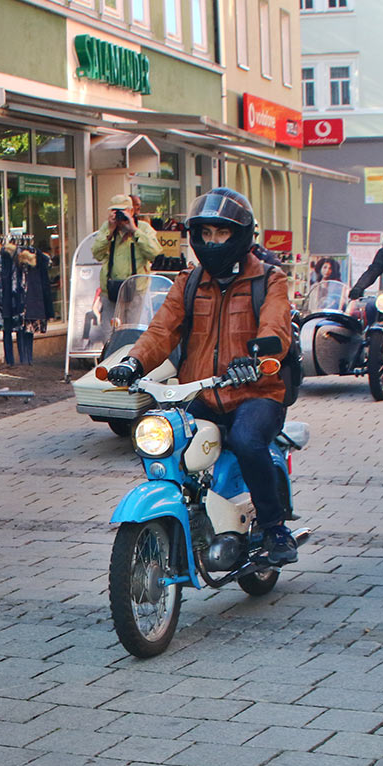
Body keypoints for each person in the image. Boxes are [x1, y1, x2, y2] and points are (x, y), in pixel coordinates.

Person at [103, 188, 298, 564]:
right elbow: (162, 330)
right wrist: (133, 362)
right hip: (203, 393)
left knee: (246, 440)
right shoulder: (189, 282)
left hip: (256, 392)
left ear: (241, 235)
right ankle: (192, 515)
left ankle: (275, 528)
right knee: (165, 438)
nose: (212, 242)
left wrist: (258, 357)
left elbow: (276, 326)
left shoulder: (269, 280)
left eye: (221, 234)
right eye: (205, 234)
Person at [92, 194, 161, 319]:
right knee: (109, 334)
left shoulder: (143, 228)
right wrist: (109, 232)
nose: (119, 215)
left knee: (132, 332)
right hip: (111, 291)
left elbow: (154, 252)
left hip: (136, 290)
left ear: (131, 211)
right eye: (115, 211)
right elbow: (97, 254)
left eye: (123, 211)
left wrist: (134, 230)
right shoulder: (107, 228)